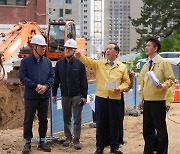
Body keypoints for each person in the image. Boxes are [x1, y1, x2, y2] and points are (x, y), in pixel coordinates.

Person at [75, 42, 130, 154]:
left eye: (110, 49)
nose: (107, 51)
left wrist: (120, 88)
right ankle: (99, 146)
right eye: (106, 49)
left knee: (114, 123)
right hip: (101, 97)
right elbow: (89, 62)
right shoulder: (99, 64)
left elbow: (127, 82)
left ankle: (114, 146)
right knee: (100, 123)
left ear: (116, 52)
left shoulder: (122, 67)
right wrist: (80, 56)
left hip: (115, 98)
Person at [138, 37, 175, 154]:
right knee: (147, 130)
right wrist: (141, 100)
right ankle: (148, 151)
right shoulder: (146, 64)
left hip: (158, 101)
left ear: (155, 48)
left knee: (160, 131)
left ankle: (162, 152)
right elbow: (142, 83)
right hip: (147, 101)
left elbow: (171, 80)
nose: (146, 48)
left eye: (148, 45)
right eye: (146, 45)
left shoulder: (164, 63)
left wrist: (163, 85)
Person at [19, 34, 54, 154]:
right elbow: (22, 77)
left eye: (44, 47)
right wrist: (35, 86)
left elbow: (52, 76)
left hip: (44, 96)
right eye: (41, 47)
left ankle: (42, 141)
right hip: (31, 96)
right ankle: (28, 142)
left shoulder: (48, 62)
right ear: (34, 47)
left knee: (43, 120)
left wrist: (46, 86)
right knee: (28, 119)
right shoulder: (25, 62)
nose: (44, 49)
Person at [52, 39, 88, 150]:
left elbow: (84, 81)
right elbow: (56, 80)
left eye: (69, 49)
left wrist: (84, 96)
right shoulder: (59, 64)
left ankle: (76, 140)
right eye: (66, 48)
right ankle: (68, 137)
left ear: (74, 50)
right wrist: (54, 94)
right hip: (65, 95)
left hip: (77, 95)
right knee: (66, 118)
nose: (66, 50)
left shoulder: (80, 64)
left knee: (77, 119)